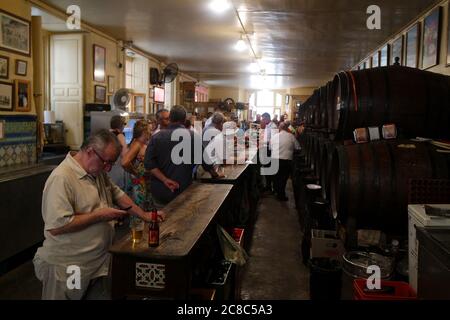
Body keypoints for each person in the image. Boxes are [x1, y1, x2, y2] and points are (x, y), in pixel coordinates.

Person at [33, 129, 164, 300]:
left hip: (97, 263)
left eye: (111, 164)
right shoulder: (62, 178)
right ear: (89, 151)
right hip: (70, 267)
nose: (108, 169)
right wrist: (100, 215)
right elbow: (57, 226)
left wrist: (145, 216)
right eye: (106, 162)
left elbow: (119, 195)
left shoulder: (97, 172)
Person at [144, 105, 222, 206]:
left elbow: (149, 164)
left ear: (170, 118)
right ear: (185, 119)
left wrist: (165, 180)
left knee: (162, 218)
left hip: (160, 191)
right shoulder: (193, 136)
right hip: (182, 189)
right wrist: (215, 174)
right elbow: (206, 163)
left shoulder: (156, 137)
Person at [271, 122, 301, 201]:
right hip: (286, 160)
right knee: (283, 178)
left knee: (276, 177)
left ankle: (277, 191)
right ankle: (281, 195)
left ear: (279, 128)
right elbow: (298, 148)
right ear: (286, 128)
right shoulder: (291, 136)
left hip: (274, 160)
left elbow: (270, 148)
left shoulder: (274, 137)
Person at [108, 115, 128, 190]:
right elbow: (124, 155)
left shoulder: (107, 133)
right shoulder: (120, 136)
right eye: (123, 125)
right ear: (121, 126)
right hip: (116, 168)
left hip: (107, 167)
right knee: (117, 190)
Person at [260, 112, 278, 193]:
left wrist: (265, 142)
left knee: (269, 168)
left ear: (267, 118)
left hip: (270, 150)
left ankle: (270, 187)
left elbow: (274, 140)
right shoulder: (267, 126)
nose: (262, 120)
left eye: (263, 119)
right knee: (266, 168)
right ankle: (267, 186)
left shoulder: (273, 127)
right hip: (266, 148)